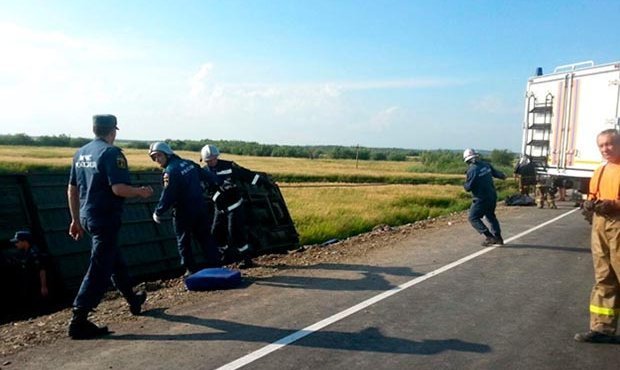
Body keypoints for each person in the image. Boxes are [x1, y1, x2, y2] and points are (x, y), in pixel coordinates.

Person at [67, 114, 154, 339]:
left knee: (112, 258)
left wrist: (75, 220)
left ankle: (133, 300)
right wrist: (140, 192)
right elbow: (118, 189)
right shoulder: (111, 153)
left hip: (87, 217)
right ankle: (79, 317)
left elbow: (72, 190)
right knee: (99, 266)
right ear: (112, 131)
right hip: (105, 217)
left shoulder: (80, 152)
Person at [575, 129, 620, 343]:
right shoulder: (600, 171)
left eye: (610, 144)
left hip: (619, 223)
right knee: (604, 276)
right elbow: (593, 195)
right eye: (601, 145)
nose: (605, 149)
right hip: (601, 224)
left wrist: (614, 204)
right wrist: (589, 203)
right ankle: (602, 327)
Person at [149, 142, 222, 275]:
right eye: (154, 158)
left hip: (183, 211)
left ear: (167, 154)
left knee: (183, 240)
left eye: (159, 156)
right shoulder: (189, 163)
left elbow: (168, 194)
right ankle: (216, 266)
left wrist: (158, 211)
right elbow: (209, 177)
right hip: (200, 207)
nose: (157, 160)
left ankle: (190, 270)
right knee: (206, 238)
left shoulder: (170, 171)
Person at [200, 144, 259, 268]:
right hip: (220, 208)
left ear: (217, 157)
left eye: (214, 159)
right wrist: (216, 196)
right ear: (204, 160)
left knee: (235, 233)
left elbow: (246, 175)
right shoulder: (204, 171)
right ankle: (225, 255)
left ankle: (246, 259)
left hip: (234, 206)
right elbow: (206, 189)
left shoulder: (229, 166)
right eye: (209, 161)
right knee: (216, 233)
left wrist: (262, 182)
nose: (212, 162)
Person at [462, 148, 507, 246]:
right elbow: (498, 174)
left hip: (481, 199)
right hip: (492, 196)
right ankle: (498, 238)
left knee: (473, 217)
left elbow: (468, 188)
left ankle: (489, 237)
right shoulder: (486, 165)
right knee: (491, 216)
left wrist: (464, 184)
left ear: (467, 160)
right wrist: (503, 175)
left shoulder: (472, 170)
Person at [11, 230, 50, 314]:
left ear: (25, 242)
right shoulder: (25, 252)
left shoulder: (34, 253)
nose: (16, 244)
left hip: (36, 283)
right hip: (31, 283)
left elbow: (42, 270)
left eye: (18, 242)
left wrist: (43, 286)